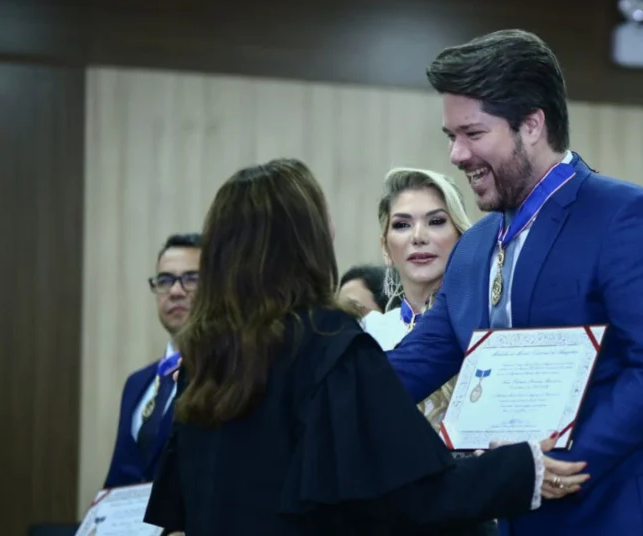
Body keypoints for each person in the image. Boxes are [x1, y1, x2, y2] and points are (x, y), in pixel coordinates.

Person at [385, 29, 643, 535]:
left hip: (628, 513)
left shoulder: (627, 217)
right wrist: (305, 387)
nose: (455, 155)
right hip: (522, 516)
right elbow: (416, 361)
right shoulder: (473, 249)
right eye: (450, 137)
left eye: (472, 134)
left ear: (532, 125)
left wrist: (550, 467)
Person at [143, 158, 589, 536]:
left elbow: (178, 510)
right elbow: (413, 492)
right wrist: (522, 468)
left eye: (436, 221)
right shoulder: (325, 343)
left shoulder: (206, 357)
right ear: (307, 240)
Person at [362, 167, 473, 429]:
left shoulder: (486, 323)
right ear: (385, 247)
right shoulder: (366, 335)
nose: (418, 237)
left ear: (461, 235)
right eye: (402, 225)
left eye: (436, 222)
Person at [103, 233, 200, 489]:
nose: (176, 291)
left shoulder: (223, 377)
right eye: (165, 280)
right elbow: (120, 477)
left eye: (191, 279)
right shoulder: (137, 384)